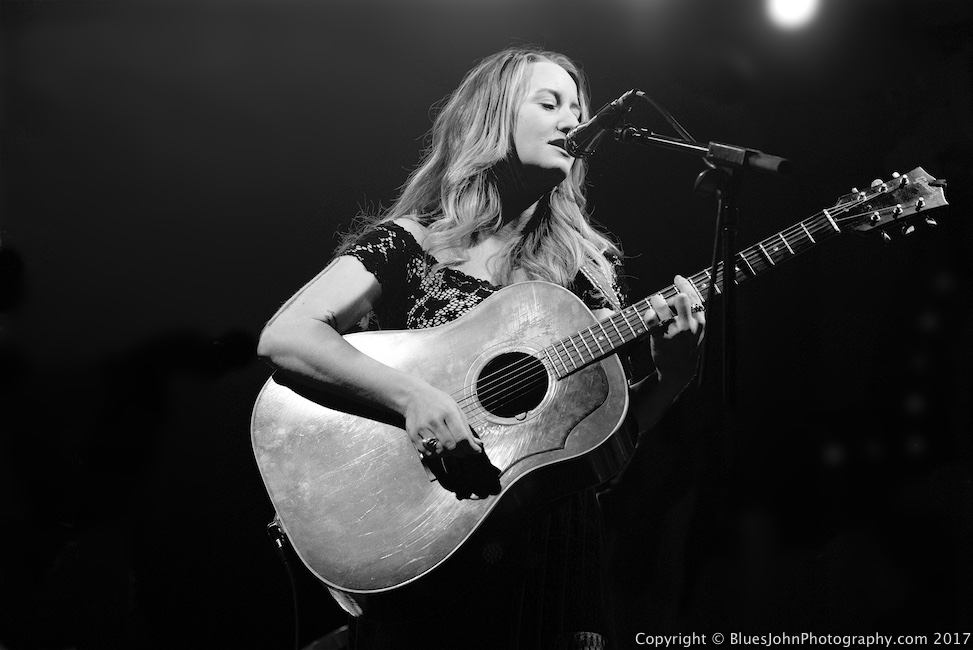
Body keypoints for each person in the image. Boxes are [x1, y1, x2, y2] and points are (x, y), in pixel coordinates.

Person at [257, 45, 705, 650]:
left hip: (552, 572)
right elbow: (286, 335)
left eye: (578, 108)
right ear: (492, 119)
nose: (574, 121)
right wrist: (414, 397)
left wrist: (670, 380)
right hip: (432, 552)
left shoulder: (586, 279)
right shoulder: (409, 244)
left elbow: (597, 462)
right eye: (549, 103)